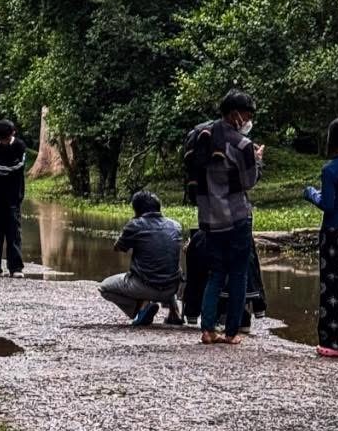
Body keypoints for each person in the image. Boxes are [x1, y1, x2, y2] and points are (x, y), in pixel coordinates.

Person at [184, 89, 262, 345]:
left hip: (209, 218)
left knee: (215, 273)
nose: (248, 120)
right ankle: (230, 332)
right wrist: (258, 161)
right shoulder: (242, 145)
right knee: (238, 273)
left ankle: (207, 330)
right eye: (247, 115)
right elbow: (249, 181)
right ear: (235, 115)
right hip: (237, 216)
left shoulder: (200, 137)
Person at [305, 116, 338, 359]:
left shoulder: (330, 169)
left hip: (336, 233)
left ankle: (334, 342)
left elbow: (329, 205)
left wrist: (311, 193)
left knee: (334, 287)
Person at [99, 191, 184, 325]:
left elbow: (118, 247)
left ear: (136, 209)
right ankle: (175, 311)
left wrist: (132, 227)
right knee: (167, 264)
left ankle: (141, 308)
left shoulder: (135, 225)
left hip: (146, 287)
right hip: (172, 287)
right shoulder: (175, 225)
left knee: (104, 288)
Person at [0, 119, 26, 276]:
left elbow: (19, 166)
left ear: (13, 133)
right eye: (2, 139)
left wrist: (1, 170)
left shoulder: (20, 146)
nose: (4, 142)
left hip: (14, 197)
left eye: (6, 139)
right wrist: (7, 171)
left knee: (14, 232)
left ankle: (16, 268)